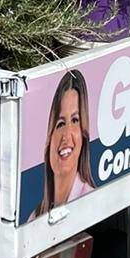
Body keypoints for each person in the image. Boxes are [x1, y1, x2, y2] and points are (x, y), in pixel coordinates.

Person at [33, 69, 94, 218]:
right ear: (49, 137)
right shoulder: (36, 215)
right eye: (60, 124)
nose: (66, 136)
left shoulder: (90, 202)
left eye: (75, 120)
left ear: (83, 133)